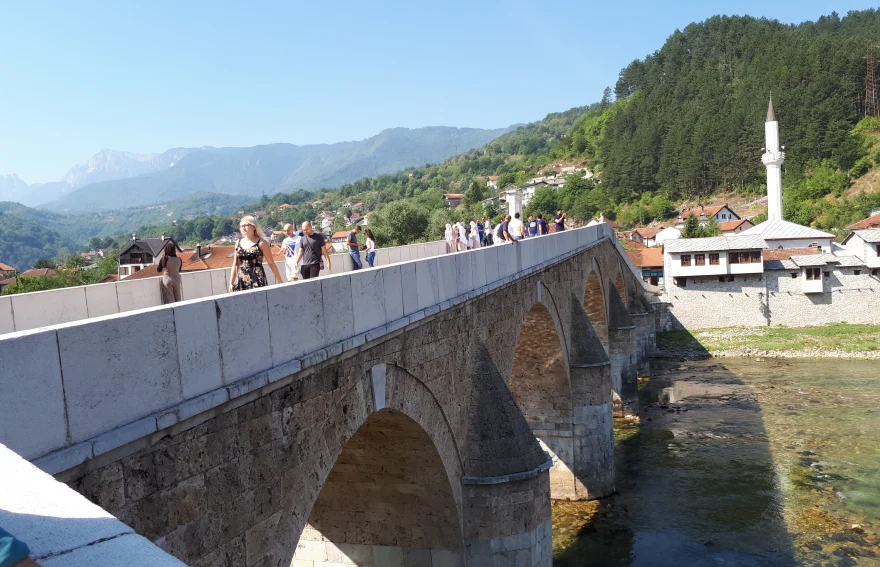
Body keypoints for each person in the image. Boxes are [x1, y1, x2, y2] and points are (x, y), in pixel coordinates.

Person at [228, 215, 283, 291]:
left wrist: (280, 281)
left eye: (246, 225)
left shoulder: (261, 243)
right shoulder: (238, 243)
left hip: (257, 279)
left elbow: (271, 263)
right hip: (242, 279)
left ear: (254, 227)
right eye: (241, 226)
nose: (243, 228)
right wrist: (231, 283)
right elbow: (235, 264)